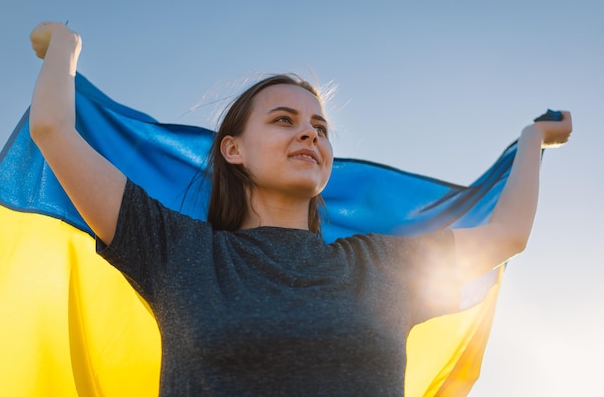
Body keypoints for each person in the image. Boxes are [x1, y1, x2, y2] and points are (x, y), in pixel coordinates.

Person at [28, 22, 571, 397]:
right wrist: (65, 47)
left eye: (320, 127)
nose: (309, 133)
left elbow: (506, 233)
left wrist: (531, 140)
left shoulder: (383, 266)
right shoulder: (176, 250)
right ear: (233, 149)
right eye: (284, 120)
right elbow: (53, 128)